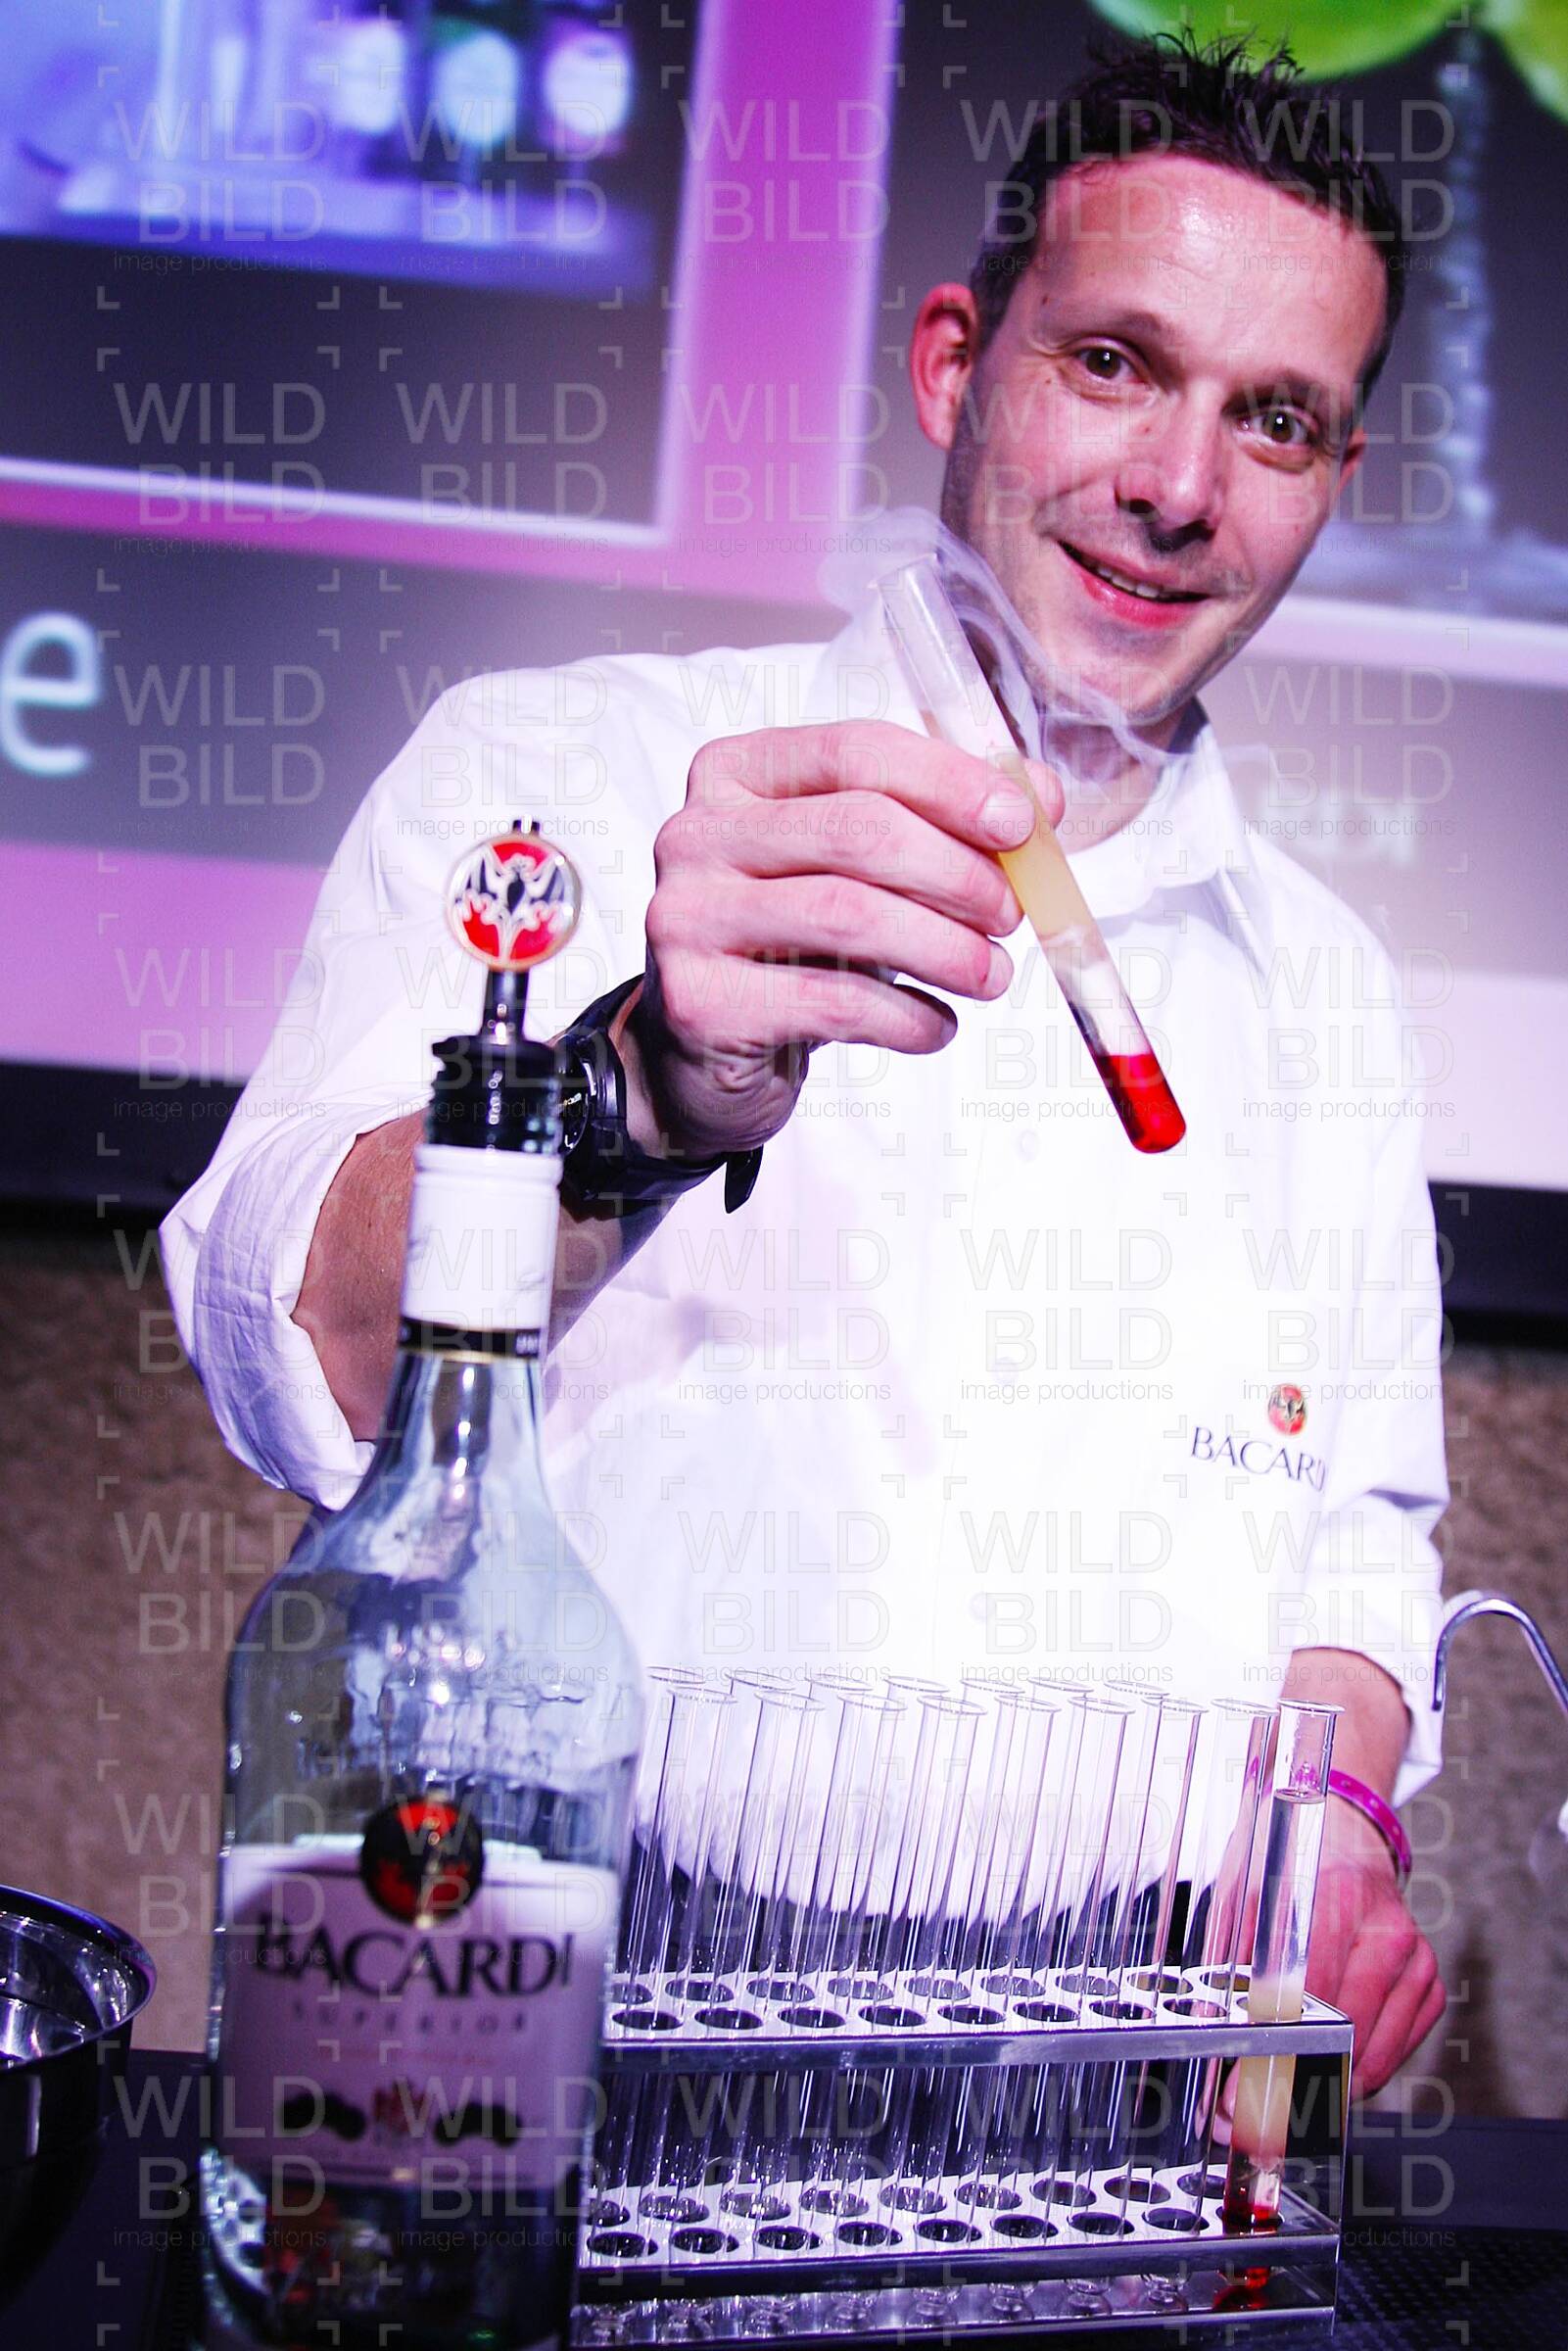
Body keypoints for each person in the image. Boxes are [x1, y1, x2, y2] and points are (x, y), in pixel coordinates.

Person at [163, 34, 1449, 2094]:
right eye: (1113, 363)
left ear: (1334, 477)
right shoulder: (559, 766)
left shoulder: (1331, 990)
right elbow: (289, 1342)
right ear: (953, 365)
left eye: (1272, 418)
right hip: (537, 1976)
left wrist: (1339, 1831)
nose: (1179, 488)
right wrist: (639, 1085)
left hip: (1106, 2065)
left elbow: (1357, 1542)